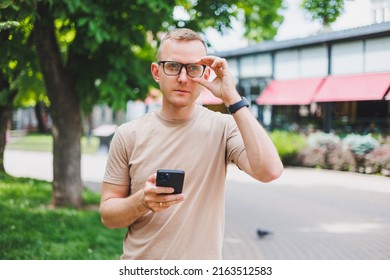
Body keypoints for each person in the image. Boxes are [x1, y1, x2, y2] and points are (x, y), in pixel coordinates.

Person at [100, 28, 283, 260]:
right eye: (173, 66)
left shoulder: (224, 128)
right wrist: (141, 201)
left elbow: (269, 171)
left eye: (193, 68)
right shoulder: (128, 134)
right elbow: (108, 216)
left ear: (205, 73)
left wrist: (232, 99)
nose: (183, 78)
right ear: (157, 72)